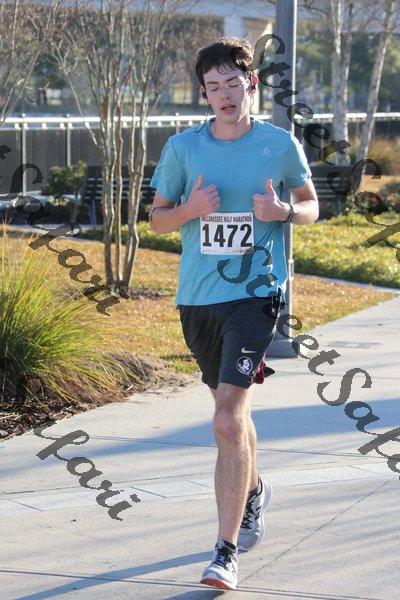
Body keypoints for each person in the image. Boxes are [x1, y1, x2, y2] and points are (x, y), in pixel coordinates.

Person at [149, 36, 319, 591]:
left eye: (233, 84)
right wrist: (190, 209)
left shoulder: (279, 144)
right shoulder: (183, 148)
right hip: (199, 298)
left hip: (257, 294)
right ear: (204, 92)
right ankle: (254, 489)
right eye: (213, 86)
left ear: (252, 85)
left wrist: (284, 211)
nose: (224, 94)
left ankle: (223, 553)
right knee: (232, 417)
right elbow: (156, 220)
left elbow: (311, 206)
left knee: (226, 416)